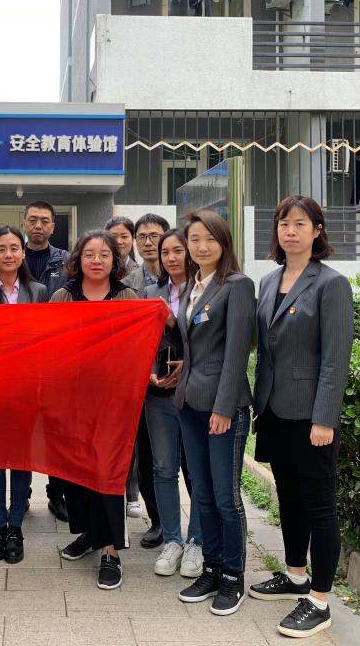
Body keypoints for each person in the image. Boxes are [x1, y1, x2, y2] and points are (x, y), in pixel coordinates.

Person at [248, 196, 353, 639]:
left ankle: (320, 601)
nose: (290, 231)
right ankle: (295, 575)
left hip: (311, 416)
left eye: (300, 224)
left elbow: (335, 358)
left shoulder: (331, 284)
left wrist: (324, 418)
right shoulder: (269, 280)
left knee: (319, 506)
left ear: (317, 230)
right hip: (274, 410)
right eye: (283, 224)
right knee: (288, 498)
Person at [174, 209, 256, 617]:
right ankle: (211, 568)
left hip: (223, 409)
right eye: (194, 239)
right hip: (189, 404)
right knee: (202, 495)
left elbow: (237, 352)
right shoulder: (192, 285)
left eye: (209, 238)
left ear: (224, 243)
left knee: (226, 497)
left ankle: (233, 577)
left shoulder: (237, 286)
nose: (201, 246)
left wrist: (224, 407)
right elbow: (197, 348)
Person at [52, 230, 137, 591]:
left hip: (113, 401)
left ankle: (110, 550)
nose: (97, 261)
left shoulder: (128, 297)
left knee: (106, 472)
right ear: (78, 259)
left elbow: (138, 346)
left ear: (115, 260)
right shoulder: (62, 296)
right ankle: (89, 532)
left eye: (104, 254)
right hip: (71, 399)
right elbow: (49, 344)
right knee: (75, 470)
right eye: (90, 254)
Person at [0, 225, 48, 564]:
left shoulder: (38, 290)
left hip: (25, 388)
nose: (9, 254)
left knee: (20, 459)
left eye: (14, 248)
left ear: (23, 252)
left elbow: (46, 339)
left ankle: (16, 527)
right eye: (1, 248)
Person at [143, 229, 204, 579]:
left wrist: (174, 327)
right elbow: (145, 341)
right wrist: (150, 372)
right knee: (163, 468)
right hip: (159, 395)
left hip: (194, 392)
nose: (171, 257)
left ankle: (197, 541)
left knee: (196, 470)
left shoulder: (205, 289)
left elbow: (207, 341)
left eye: (178, 250)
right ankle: (172, 541)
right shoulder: (150, 292)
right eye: (166, 252)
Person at [120, 213, 172, 547]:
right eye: (142, 237)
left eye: (155, 235)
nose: (148, 242)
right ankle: (159, 521)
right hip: (142, 379)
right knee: (149, 455)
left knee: (185, 461)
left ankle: (197, 527)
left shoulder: (183, 277)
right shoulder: (129, 283)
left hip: (181, 376)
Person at [21, 200, 70, 522]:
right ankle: (22, 496)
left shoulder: (66, 262)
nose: (38, 226)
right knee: (22, 429)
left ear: (53, 226)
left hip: (56, 358)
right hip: (20, 359)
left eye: (44, 221)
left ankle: (57, 495)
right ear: (24, 224)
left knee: (56, 430)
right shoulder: (13, 255)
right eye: (33, 220)